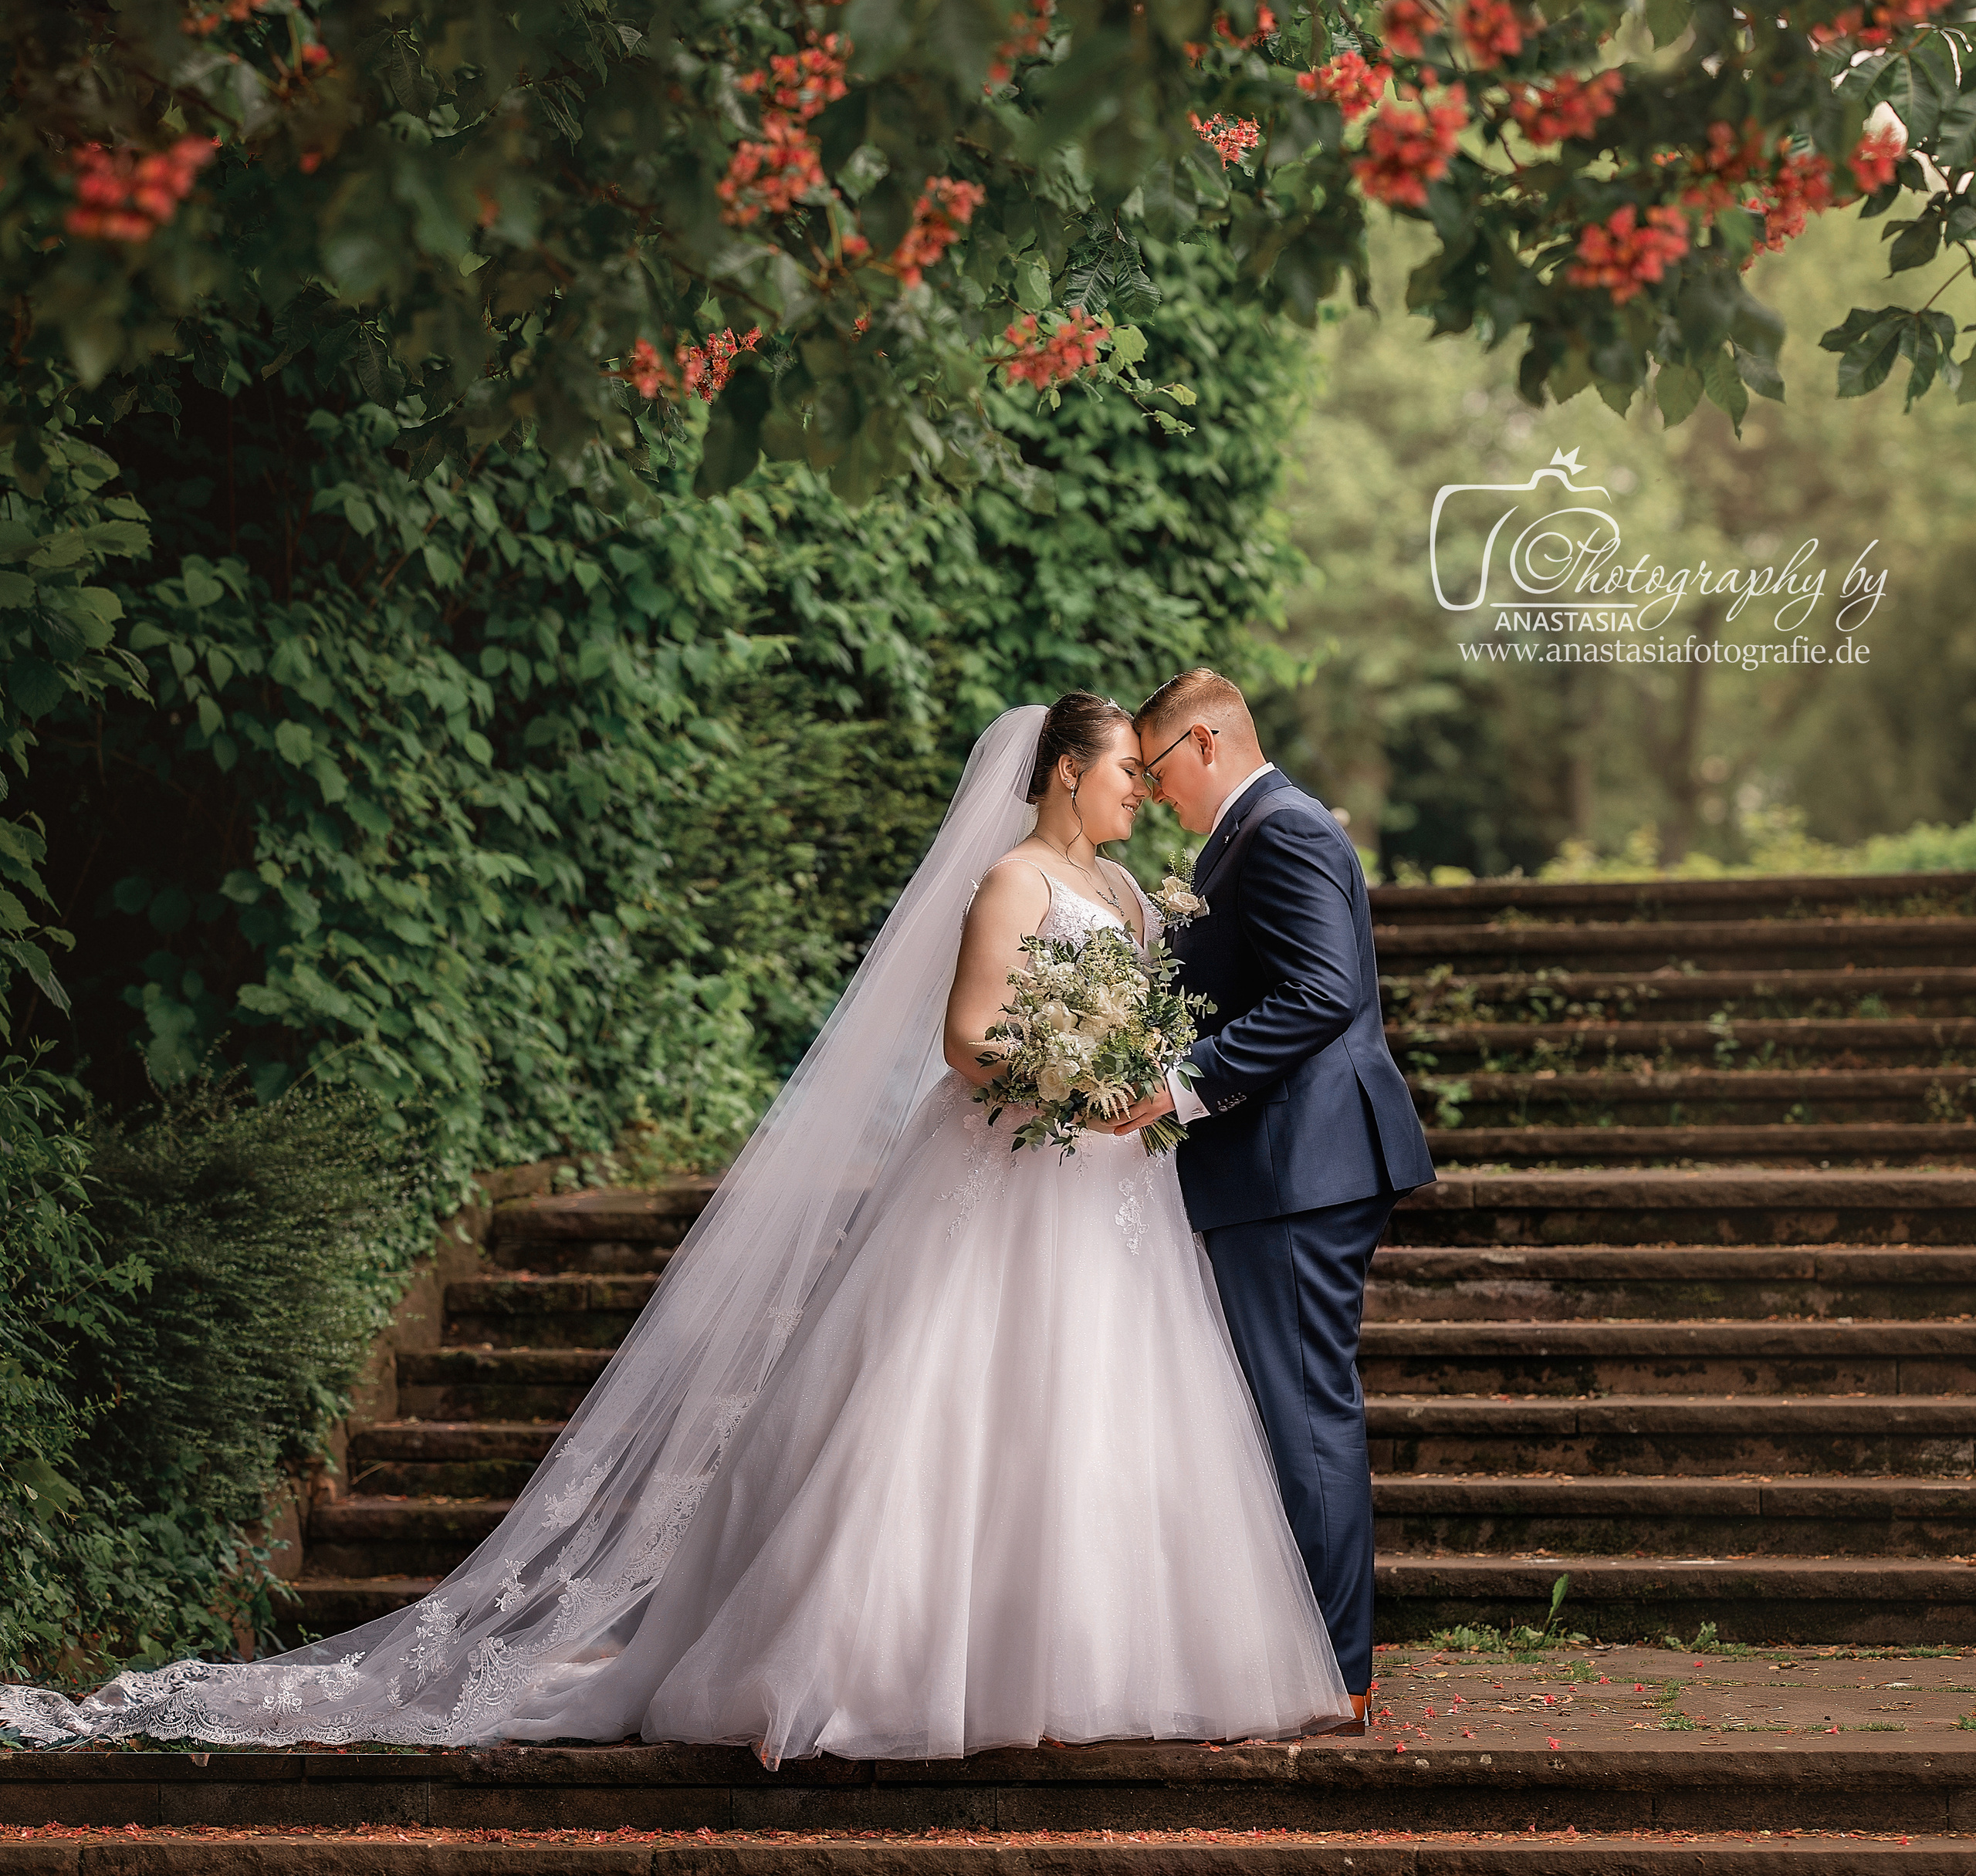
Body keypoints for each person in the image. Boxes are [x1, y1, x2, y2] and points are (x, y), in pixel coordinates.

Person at [0, 698, 1352, 1759]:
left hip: (1106, 1195)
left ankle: (1093, 1663)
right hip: (1011, 1174)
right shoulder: (1009, 883)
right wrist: (1062, 1079)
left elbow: (1164, 1016)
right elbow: (964, 1042)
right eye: (1125, 769)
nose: (1140, 789)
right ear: (1067, 773)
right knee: (953, 1410)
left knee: (1103, 1418)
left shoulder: (1123, 901)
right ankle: (886, 1662)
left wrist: (1135, 1086)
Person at [1112, 669, 1436, 1729]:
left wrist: (1181, 1081)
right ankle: (1317, 1656)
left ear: (1204, 742)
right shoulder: (1247, 836)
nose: (1155, 795)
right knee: (1292, 1406)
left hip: (1301, 1167)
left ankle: (1337, 1671)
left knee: (1304, 1411)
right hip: (1283, 1165)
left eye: (1157, 772)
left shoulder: (1283, 829)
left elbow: (1323, 991)